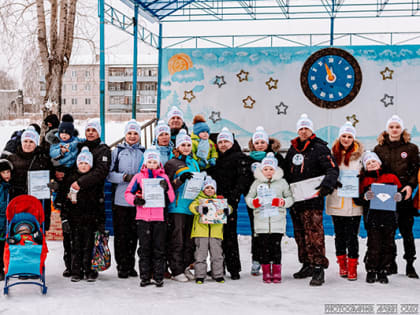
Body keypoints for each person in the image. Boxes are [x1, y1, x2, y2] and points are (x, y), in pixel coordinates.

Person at [284, 114, 339, 286]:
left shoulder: (320, 148)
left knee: (314, 233)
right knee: (300, 233)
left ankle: (318, 267)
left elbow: (332, 170)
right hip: (296, 200)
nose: (303, 131)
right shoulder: (292, 149)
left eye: (306, 128)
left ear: (311, 130)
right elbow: (286, 173)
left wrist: (326, 187)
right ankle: (306, 263)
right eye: (300, 128)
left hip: (313, 199)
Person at [374, 115, 419, 279]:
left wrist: (410, 186)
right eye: (391, 127)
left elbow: (415, 170)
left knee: (407, 231)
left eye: (397, 127)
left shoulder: (411, 148)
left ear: (402, 130)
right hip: (386, 195)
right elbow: (374, 170)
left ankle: (410, 264)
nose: (394, 129)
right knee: (388, 231)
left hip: (404, 195)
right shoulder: (379, 148)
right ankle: (389, 263)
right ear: (387, 129)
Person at [125, 147, 175, 287]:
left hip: (159, 219)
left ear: (159, 163)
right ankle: (145, 276)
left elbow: (171, 198)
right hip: (143, 218)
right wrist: (135, 200)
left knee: (159, 248)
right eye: (149, 161)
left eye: (154, 162)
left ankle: (158, 276)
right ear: (145, 163)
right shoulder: (138, 177)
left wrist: (166, 188)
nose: (152, 164)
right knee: (144, 248)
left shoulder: (164, 178)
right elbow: (128, 193)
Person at [207, 127, 250, 280]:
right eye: (221, 142)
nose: (223, 144)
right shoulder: (214, 160)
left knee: (230, 236)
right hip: (214, 203)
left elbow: (243, 180)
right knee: (216, 237)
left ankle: (234, 268)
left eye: (226, 141)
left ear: (232, 143)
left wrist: (233, 199)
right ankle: (218, 268)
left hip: (230, 204)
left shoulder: (239, 158)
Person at [56, 147, 104, 282]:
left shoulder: (94, 181)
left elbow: (100, 204)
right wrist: (64, 219)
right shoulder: (71, 179)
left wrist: (101, 222)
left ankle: (89, 270)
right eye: (81, 163)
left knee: (89, 246)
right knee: (75, 246)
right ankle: (76, 270)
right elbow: (65, 202)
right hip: (74, 220)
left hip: (91, 219)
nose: (83, 166)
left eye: (86, 163)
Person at [245, 153, 293, 283]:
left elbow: (290, 198)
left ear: (276, 170)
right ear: (261, 170)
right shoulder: (256, 183)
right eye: (265, 169)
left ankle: (276, 272)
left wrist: (282, 202)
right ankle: (266, 272)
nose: (268, 172)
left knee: (276, 248)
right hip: (261, 223)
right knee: (264, 249)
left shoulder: (282, 183)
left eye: (271, 169)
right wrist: (253, 203)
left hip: (278, 222)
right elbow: (249, 197)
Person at [357, 151, 403, 284]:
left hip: (389, 218)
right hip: (373, 219)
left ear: (379, 163)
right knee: (373, 245)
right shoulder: (364, 180)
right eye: (368, 163)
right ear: (365, 167)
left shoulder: (391, 177)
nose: (371, 164)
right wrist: (365, 197)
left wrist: (399, 197)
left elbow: (399, 194)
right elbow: (358, 199)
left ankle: (383, 270)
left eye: (373, 161)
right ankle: (371, 270)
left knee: (388, 245)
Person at [244, 126, 285, 276]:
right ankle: (257, 259)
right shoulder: (248, 160)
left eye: (263, 141)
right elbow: (245, 180)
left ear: (268, 143)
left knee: (273, 232)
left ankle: (274, 261)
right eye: (257, 142)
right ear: (252, 144)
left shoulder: (277, 158)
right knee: (257, 232)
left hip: (273, 202)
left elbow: (283, 177)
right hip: (257, 203)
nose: (260, 144)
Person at [107, 119, 145, 279]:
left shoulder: (144, 152)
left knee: (134, 235)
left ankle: (130, 265)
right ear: (125, 135)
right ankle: (121, 265)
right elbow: (109, 175)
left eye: (135, 133)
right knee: (121, 235)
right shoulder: (117, 152)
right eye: (129, 133)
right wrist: (124, 177)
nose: (132, 136)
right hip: (121, 200)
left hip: (138, 200)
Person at [326, 121, 364, 281]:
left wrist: (359, 181)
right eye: (344, 136)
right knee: (339, 235)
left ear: (353, 139)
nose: (346, 139)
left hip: (354, 202)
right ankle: (342, 263)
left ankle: (352, 265)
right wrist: (332, 181)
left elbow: (367, 174)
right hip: (337, 199)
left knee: (352, 235)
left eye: (349, 136)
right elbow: (325, 172)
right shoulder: (331, 155)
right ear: (339, 137)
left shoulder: (361, 156)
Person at [164, 129, 200, 282]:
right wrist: (180, 180)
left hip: (192, 207)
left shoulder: (194, 163)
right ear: (177, 147)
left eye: (188, 144)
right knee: (177, 239)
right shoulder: (172, 163)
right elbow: (165, 187)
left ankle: (185, 266)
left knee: (189, 240)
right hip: (177, 206)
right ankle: (176, 269)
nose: (186, 147)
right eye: (183, 145)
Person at [7, 126, 53, 230]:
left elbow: (52, 176)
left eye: (31, 142)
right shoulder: (12, 158)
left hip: (37, 202)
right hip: (17, 201)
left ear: (36, 143)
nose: (28, 144)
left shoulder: (43, 159)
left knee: (37, 231)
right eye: (25, 141)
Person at [189, 175, 231, 284]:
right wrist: (199, 209)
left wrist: (228, 210)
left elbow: (229, 207)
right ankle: (199, 275)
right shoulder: (199, 200)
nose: (209, 190)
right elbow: (192, 207)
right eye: (207, 187)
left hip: (215, 233)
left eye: (212, 188)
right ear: (203, 189)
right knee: (200, 255)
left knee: (217, 255)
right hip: (201, 232)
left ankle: (218, 274)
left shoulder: (219, 201)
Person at [0, 159, 12, 281]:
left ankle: (4, 267)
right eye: (4, 172)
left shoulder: (9, 186)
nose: (6, 175)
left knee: (4, 246)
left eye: (8, 172)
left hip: (6, 222)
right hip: (1, 221)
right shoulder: (1, 187)